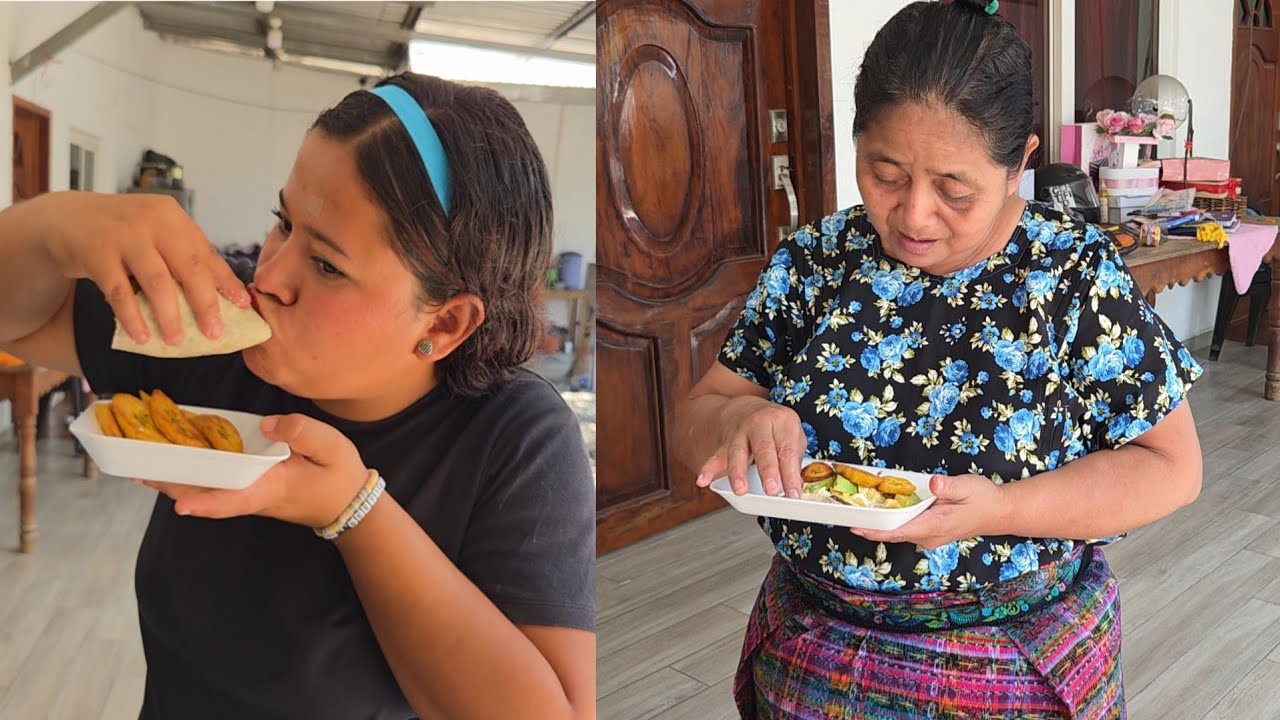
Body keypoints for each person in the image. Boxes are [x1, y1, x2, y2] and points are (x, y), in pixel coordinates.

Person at [0, 72, 595, 720]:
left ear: (444, 323)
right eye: (284, 222)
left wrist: (353, 509)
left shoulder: (515, 439)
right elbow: (21, 321)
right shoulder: (212, 336)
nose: (269, 275)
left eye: (328, 265)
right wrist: (53, 225)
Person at [673, 2, 1203, 718]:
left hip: (1013, 662)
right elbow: (697, 416)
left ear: (1019, 164)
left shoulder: (1073, 277)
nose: (914, 216)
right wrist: (741, 419)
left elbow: (1171, 468)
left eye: (955, 189)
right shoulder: (817, 262)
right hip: (816, 655)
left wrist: (1004, 507)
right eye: (884, 174)